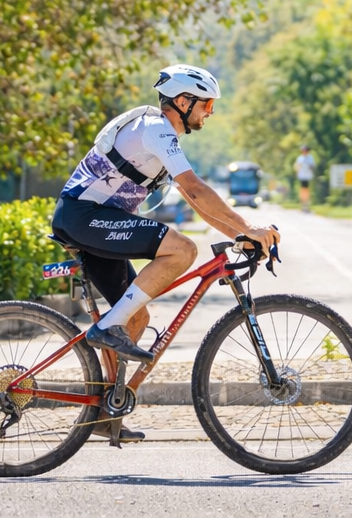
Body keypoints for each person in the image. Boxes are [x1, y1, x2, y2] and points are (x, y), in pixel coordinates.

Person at [52, 64, 281, 373]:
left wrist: (242, 234)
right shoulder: (155, 129)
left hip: (96, 221)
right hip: (84, 217)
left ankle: (105, 413)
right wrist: (250, 226)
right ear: (183, 102)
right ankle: (108, 328)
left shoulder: (161, 135)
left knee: (136, 318)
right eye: (207, 104)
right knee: (183, 249)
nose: (210, 112)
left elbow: (196, 202)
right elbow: (196, 188)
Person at [294, 145, 316, 213]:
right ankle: (303, 205)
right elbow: (297, 166)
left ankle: (307, 205)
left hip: (308, 176)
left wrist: (310, 167)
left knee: (307, 191)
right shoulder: (300, 158)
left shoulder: (310, 158)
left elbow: (312, 166)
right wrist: (297, 172)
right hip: (302, 176)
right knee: (303, 191)